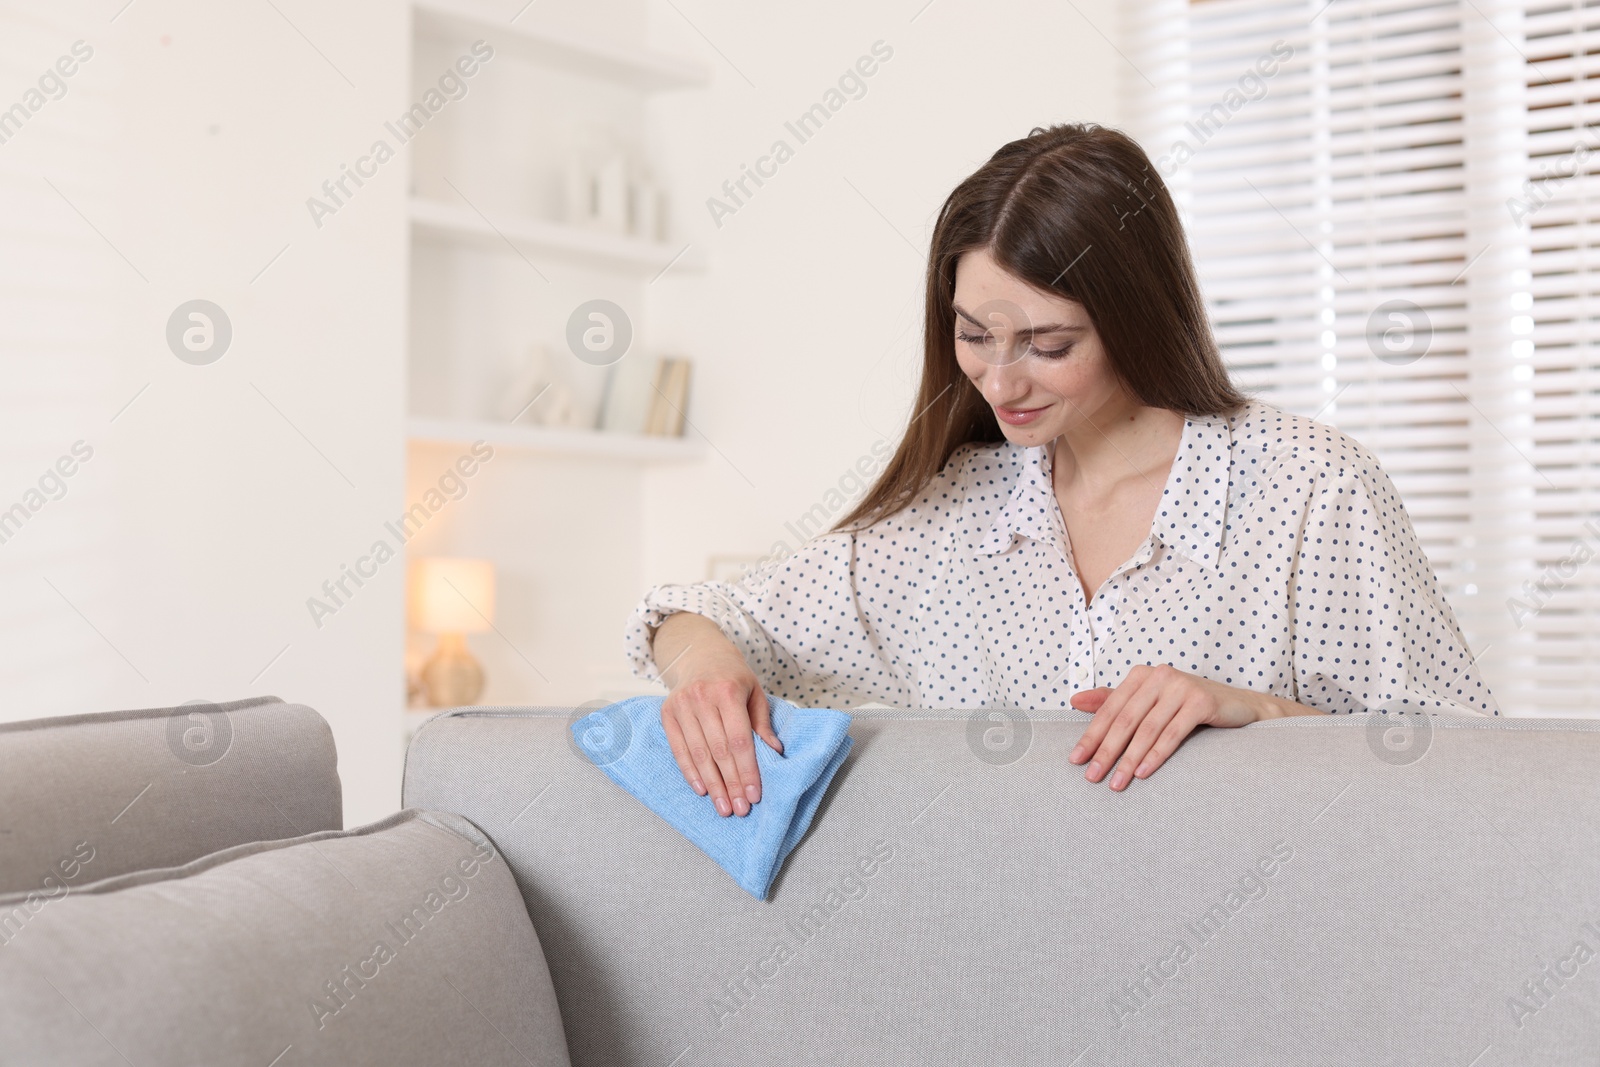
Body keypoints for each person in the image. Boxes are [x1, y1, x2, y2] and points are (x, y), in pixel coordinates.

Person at [622, 122, 1500, 819]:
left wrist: (1255, 713)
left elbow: (1466, 763)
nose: (1000, 381)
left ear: (1135, 317)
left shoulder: (1311, 488)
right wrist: (706, 670)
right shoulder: (955, 507)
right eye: (973, 335)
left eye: (1048, 344)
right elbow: (694, 613)